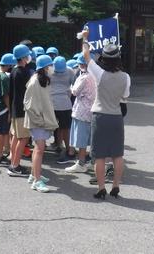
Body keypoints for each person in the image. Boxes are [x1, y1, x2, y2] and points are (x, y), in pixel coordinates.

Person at [81, 32, 130, 200]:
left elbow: (86, 55)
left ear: (104, 58)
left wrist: (85, 38)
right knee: (117, 154)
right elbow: (125, 96)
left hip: (100, 116)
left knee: (99, 155)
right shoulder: (126, 77)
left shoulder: (99, 73)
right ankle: (115, 185)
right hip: (116, 117)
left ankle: (101, 188)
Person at [24, 55, 58, 193]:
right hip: (38, 121)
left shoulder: (43, 80)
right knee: (39, 149)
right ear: (45, 67)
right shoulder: (34, 82)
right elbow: (28, 104)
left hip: (42, 120)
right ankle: (37, 181)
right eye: (50, 65)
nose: (52, 68)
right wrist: (40, 121)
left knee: (39, 149)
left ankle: (34, 175)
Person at [66, 54, 97, 174]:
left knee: (81, 140)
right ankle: (93, 162)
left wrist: (71, 86)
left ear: (82, 65)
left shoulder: (84, 77)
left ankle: (81, 163)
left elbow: (74, 91)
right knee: (92, 138)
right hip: (93, 110)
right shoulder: (97, 76)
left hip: (82, 111)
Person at [7, 44, 32, 177]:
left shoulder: (14, 71)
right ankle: (15, 166)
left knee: (16, 137)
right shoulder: (24, 72)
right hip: (22, 110)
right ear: (23, 58)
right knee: (23, 139)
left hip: (15, 109)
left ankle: (13, 163)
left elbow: (10, 93)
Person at [50, 56, 75, 164]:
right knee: (66, 128)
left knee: (58, 127)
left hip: (52, 104)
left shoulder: (49, 71)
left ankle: (59, 145)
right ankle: (68, 148)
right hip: (65, 103)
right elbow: (74, 84)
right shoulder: (70, 71)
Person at [0, 53, 15, 167]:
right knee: (2, 132)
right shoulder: (4, 77)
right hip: (3, 108)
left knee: (0, 131)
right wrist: (10, 110)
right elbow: (6, 95)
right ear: (9, 65)